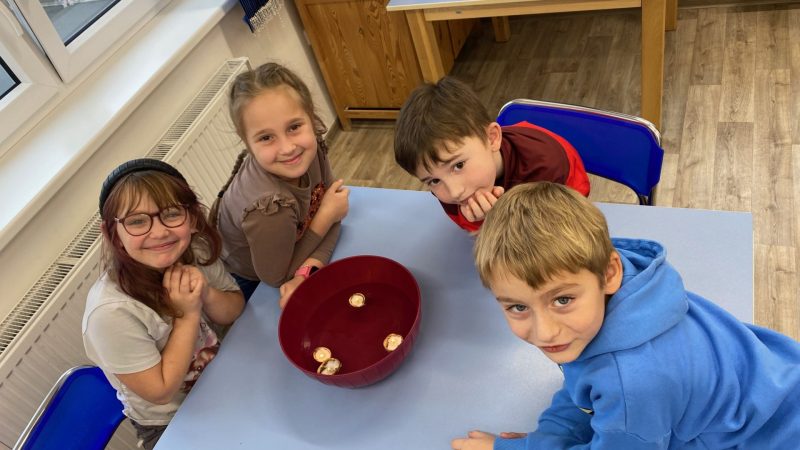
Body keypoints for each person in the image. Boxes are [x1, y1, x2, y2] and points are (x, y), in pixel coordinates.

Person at [452, 182, 800, 449]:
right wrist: (547, 439)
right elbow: (582, 390)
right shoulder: (614, 289)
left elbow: (621, 404)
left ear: (610, 273)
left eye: (562, 300)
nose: (544, 332)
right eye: (518, 307)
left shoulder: (634, 383)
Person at [83, 159, 245, 450]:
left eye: (171, 214)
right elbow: (161, 392)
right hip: (172, 422)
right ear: (112, 234)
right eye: (136, 221)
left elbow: (235, 310)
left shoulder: (194, 250)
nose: (159, 232)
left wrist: (206, 293)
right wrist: (188, 314)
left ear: (192, 218)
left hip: (225, 378)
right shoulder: (110, 313)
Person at [211, 62, 349, 305]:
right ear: (247, 142)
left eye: (294, 127)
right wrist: (326, 217)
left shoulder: (312, 148)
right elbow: (277, 278)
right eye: (266, 137)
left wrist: (308, 267)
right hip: (252, 281)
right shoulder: (267, 208)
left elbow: (336, 210)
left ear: (311, 118)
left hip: (296, 246)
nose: (287, 148)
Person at [393, 76, 590, 233]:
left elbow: (555, 235)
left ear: (492, 138)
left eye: (458, 165)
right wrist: (481, 222)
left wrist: (497, 223)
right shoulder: (449, 183)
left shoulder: (547, 168)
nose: (455, 192)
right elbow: (470, 225)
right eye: (433, 181)